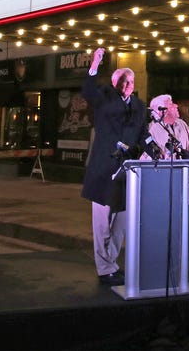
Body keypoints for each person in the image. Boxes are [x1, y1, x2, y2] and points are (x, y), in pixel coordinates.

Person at [81, 47, 149, 286]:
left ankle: (111, 263)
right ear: (114, 82)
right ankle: (104, 268)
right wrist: (95, 64)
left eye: (131, 80)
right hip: (103, 171)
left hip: (128, 172)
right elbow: (88, 91)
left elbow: (143, 134)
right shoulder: (104, 98)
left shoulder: (139, 106)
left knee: (122, 222)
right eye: (124, 79)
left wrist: (147, 153)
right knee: (102, 224)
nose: (129, 83)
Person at [145, 94, 189, 276]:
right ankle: (173, 266)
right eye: (170, 104)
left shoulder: (182, 125)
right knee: (173, 228)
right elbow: (151, 158)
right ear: (161, 111)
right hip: (169, 188)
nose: (176, 105)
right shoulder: (153, 130)